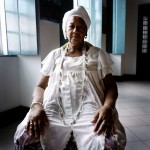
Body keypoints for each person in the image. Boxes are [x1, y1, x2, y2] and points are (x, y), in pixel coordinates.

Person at [14, 6, 126, 150]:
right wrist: (36, 105)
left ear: (86, 32)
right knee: (27, 136)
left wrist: (107, 107)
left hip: (90, 110)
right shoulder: (54, 55)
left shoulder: (98, 54)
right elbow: (40, 86)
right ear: (65, 31)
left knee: (108, 143)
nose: (75, 30)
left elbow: (111, 86)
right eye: (71, 26)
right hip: (54, 109)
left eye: (81, 27)